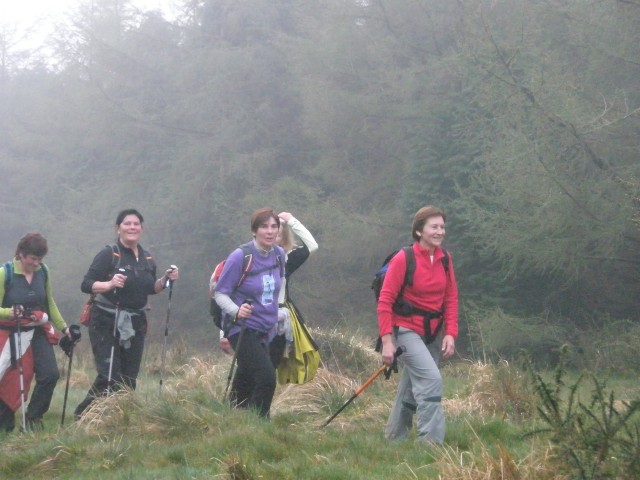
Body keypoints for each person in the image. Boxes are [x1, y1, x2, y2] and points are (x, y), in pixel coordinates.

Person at [74, 209, 179, 419]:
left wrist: (166, 279)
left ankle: (117, 419)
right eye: (127, 223)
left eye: (136, 224)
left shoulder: (147, 257)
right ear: (118, 228)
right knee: (110, 375)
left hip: (135, 322)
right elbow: (86, 284)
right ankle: (83, 416)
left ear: (141, 228)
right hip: (105, 320)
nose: (132, 227)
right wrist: (109, 284)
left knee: (128, 380)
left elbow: (151, 288)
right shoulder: (109, 254)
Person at [377, 205, 458, 444]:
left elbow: (451, 297)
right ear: (419, 231)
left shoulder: (445, 259)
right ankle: (431, 442)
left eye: (442, 227)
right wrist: (387, 342)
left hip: (433, 332)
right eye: (434, 227)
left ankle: (395, 436)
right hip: (406, 330)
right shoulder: (404, 258)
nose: (440, 231)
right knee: (431, 380)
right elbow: (385, 301)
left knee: (411, 384)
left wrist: (450, 333)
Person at [214, 207, 285, 417]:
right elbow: (220, 293)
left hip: (267, 329)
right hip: (241, 329)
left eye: (274, 226)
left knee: (246, 379)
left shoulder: (279, 255)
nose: (270, 231)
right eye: (264, 227)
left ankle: (232, 417)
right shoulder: (240, 256)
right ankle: (260, 424)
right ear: (254, 230)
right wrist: (237, 311)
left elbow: (280, 284)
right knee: (266, 377)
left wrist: (279, 312)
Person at [0, 232, 72, 432]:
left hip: (37, 330)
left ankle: (33, 419)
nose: (36, 263)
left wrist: (64, 327)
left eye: (39, 259)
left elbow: (49, 302)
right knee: (9, 378)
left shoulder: (43, 271)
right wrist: (9, 312)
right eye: (32, 259)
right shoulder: (5, 273)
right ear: (21, 254)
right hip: (10, 332)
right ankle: (5, 422)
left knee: (50, 374)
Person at [268, 212, 319, 376]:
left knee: (271, 366)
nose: (273, 238)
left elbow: (312, 246)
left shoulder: (288, 259)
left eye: (278, 235)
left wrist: (292, 221)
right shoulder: (249, 257)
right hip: (254, 317)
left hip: (279, 320)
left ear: (283, 239)